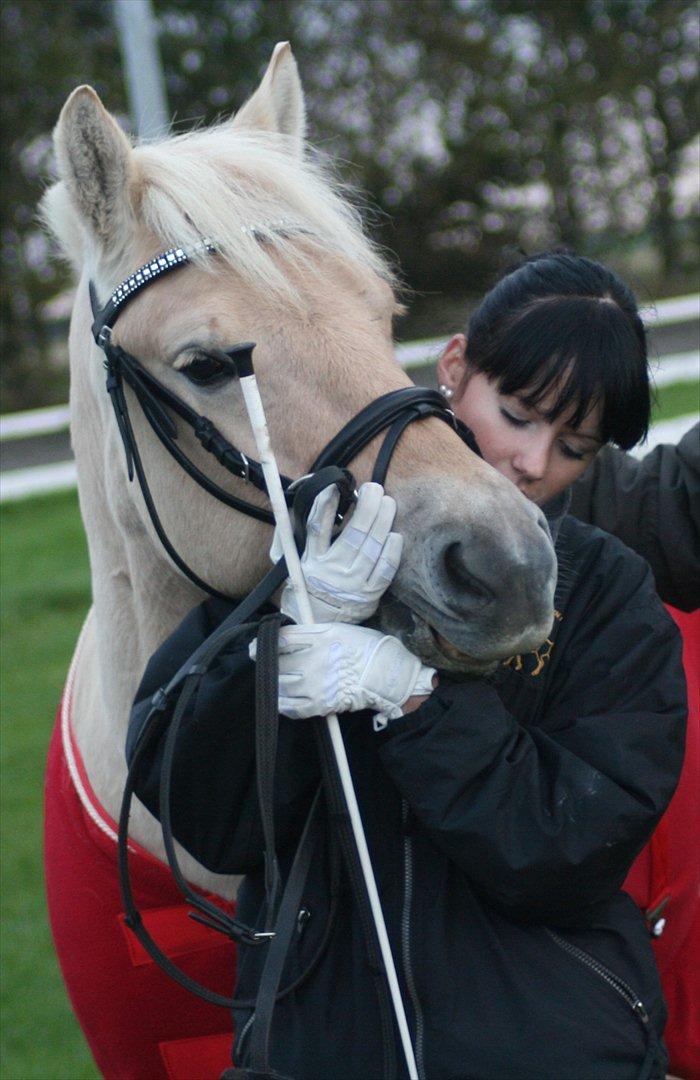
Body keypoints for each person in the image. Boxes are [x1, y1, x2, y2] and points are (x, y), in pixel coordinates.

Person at [128, 252, 687, 1079]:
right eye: (518, 413)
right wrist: (277, 639)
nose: (533, 462)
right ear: (454, 367)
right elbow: (204, 816)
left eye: (574, 445)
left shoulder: (609, 596)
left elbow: (567, 856)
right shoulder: (302, 554)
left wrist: (417, 701)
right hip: (316, 1050)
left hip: (556, 1049)